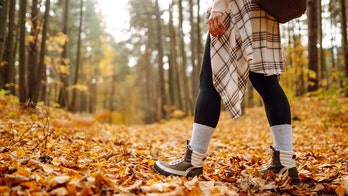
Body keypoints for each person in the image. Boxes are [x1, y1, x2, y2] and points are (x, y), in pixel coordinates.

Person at [153, 0, 299, 184]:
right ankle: (285, 162)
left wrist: (219, 6)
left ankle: (193, 160)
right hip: (264, 10)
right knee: (267, 82)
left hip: (236, 8)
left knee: (209, 80)